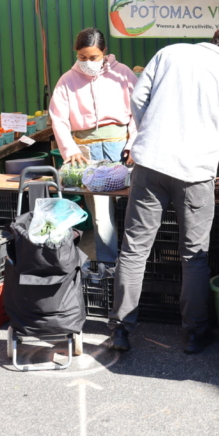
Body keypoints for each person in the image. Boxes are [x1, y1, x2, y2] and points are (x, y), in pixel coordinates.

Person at [106, 29, 219, 354]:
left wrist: (152, 133)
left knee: (134, 251)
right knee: (194, 256)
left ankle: (120, 330)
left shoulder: (169, 54)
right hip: (196, 174)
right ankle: (194, 333)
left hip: (150, 166)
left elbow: (138, 99)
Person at [49, 28, 138, 263]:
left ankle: (132, 262)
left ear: (104, 52)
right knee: (100, 212)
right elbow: (58, 118)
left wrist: (134, 143)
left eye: (93, 57)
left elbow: (140, 111)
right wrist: (70, 149)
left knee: (131, 206)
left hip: (121, 149)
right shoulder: (66, 80)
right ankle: (109, 264)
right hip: (86, 153)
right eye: (82, 57)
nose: (87, 62)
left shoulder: (123, 74)